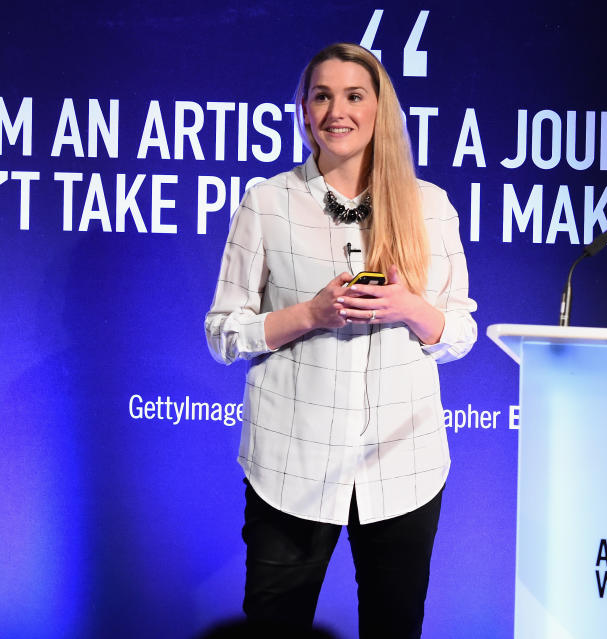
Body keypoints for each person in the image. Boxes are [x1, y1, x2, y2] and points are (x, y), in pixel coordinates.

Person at [205, 42, 476, 638]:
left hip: (403, 467)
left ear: (380, 109)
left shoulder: (430, 207)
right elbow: (224, 333)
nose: (337, 111)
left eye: (354, 96)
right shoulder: (268, 202)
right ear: (304, 110)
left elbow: (459, 332)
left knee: (394, 627)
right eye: (322, 96)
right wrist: (311, 313)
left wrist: (408, 307)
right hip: (291, 464)